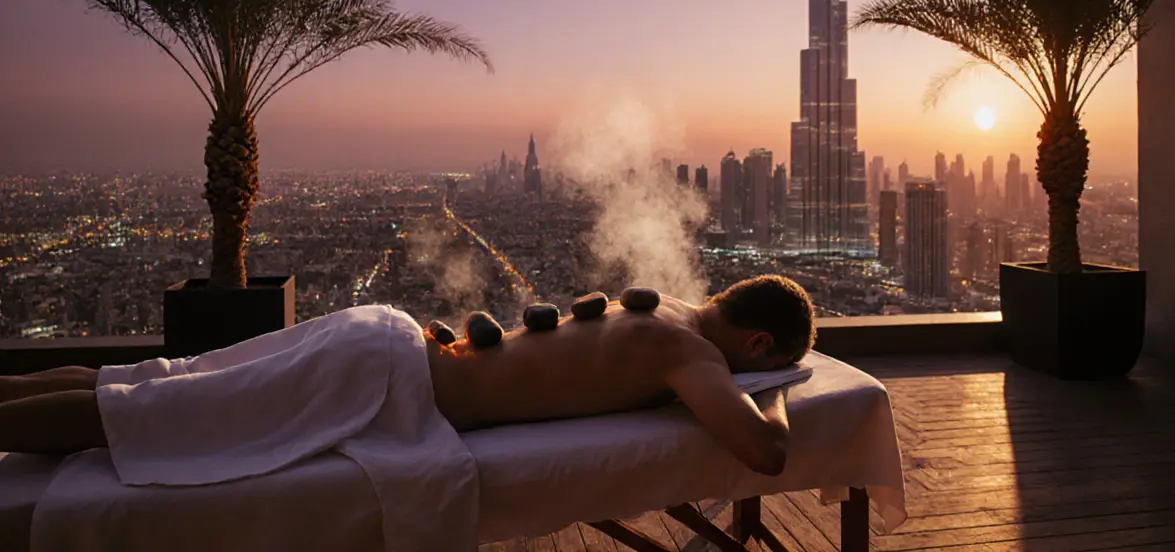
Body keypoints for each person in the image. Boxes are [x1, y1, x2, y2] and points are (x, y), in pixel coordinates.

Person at [0, 274, 815, 477]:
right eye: (772, 361)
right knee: (151, 421)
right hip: (384, 379)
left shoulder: (666, 308)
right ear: (760, 343)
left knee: (153, 380)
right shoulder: (692, 356)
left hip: (385, 335)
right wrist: (773, 398)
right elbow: (762, 453)